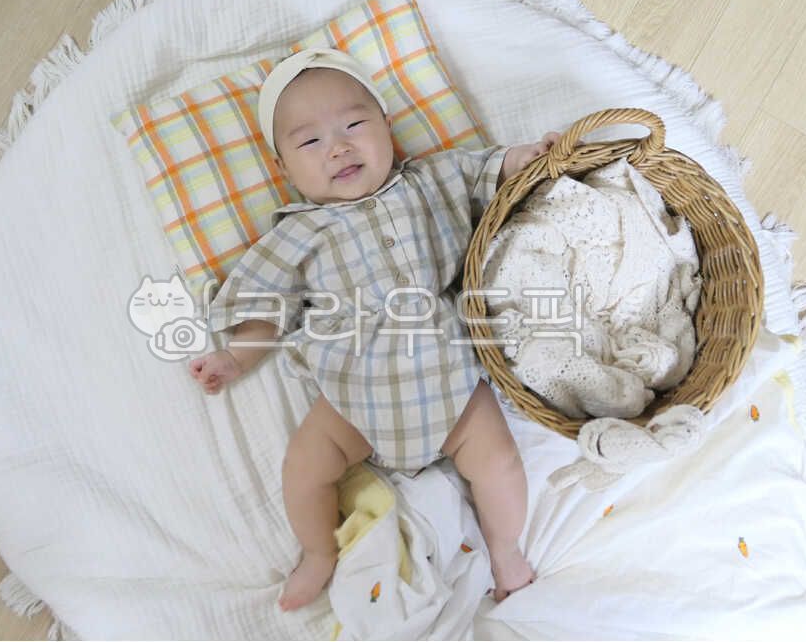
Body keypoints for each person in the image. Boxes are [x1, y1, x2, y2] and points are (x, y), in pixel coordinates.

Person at [188, 47, 560, 611]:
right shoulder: (297, 233)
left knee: (499, 461)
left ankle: (505, 550)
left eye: (355, 124)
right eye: (309, 142)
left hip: (448, 376)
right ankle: (318, 552)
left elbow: (490, 169)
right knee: (304, 468)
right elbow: (269, 306)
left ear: (387, 129)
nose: (337, 146)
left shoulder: (430, 180)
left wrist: (528, 157)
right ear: (285, 170)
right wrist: (236, 358)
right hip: (352, 394)